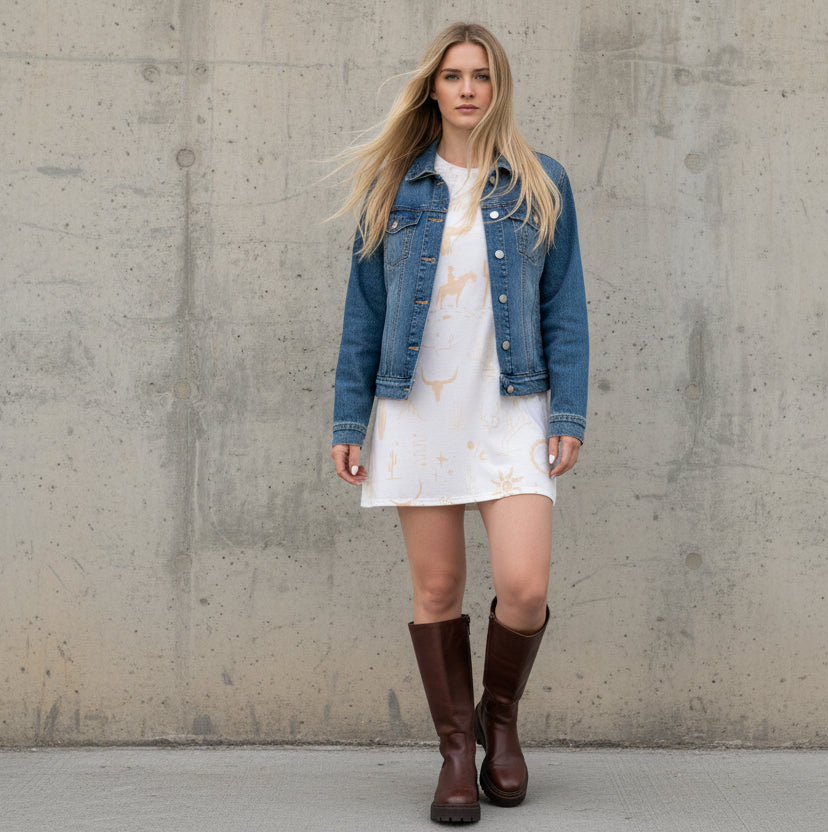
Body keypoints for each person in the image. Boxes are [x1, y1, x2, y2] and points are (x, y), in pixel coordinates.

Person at [329, 22, 588, 824]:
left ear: (497, 87)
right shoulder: (394, 190)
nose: (468, 88)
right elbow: (363, 313)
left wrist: (569, 409)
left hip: (513, 408)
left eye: (481, 75)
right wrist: (349, 417)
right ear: (433, 89)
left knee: (524, 586)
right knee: (437, 587)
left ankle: (498, 719)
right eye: (454, 75)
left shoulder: (541, 183)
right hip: (419, 411)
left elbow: (564, 305)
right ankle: (452, 754)